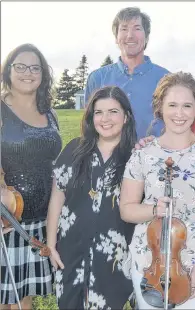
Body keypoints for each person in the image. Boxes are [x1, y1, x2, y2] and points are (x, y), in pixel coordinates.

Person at [119, 72, 195, 309]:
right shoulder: (143, 154)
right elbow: (127, 210)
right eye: (172, 105)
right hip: (150, 263)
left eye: (186, 106)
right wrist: (154, 209)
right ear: (159, 107)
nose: (179, 114)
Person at [46, 86, 137, 309]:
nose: (105, 119)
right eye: (98, 112)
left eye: (113, 112)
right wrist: (50, 244)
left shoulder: (137, 157)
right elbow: (57, 199)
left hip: (113, 257)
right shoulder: (74, 150)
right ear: (91, 117)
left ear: (125, 117)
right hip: (71, 251)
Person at [0, 43, 62, 309]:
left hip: (41, 216)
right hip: (8, 215)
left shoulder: (50, 112)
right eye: (21, 66)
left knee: (24, 295)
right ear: (9, 71)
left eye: (35, 67)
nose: (28, 72)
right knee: (4, 294)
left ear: (43, 74)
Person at [85, 6, 169, 139]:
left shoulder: (166, 80)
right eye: (124, 29)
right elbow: (88, 127)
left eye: (137, 28)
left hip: (153, 157)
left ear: (146, 36)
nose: (130, 35)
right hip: (108, 158)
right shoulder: (97, 78)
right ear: (116, 38)